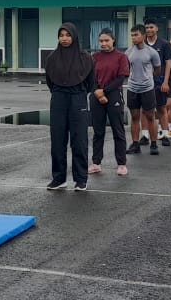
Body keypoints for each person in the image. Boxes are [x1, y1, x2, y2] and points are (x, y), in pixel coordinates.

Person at [44, 22, 95, 191]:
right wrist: (61, 92)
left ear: (74, 37)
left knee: (79, 140)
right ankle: (59, 179)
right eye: (61, 35)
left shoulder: (86, 58)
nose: (64, 38)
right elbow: (50, 82)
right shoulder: (52, 58)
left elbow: (91, 83)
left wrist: (78, 93)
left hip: (78, 98)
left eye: (68, 35)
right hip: (58, 98)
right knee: (57, 140)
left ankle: (81, 179)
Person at [89, 28, 130, 176]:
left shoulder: (121, 57)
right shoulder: (94, 57)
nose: (104, 43)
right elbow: (90, 78)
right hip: (96, 95)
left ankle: (121, 164)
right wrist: (97, 92)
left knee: (118, 130)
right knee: (98, 131)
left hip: (113, 95)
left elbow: (121, 78)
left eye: (106, 40)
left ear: (113, 40)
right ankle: (96, 163)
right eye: (101, 41)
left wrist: (104, 92)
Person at [124, 25, 161, 159]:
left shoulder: (152, 52)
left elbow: (158, 70)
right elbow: (126, 69)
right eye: (132, 35)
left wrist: (147, 78)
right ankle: (135, 144)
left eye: (136, 35)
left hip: (147, 89)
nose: (133, 38)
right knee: (134, 117)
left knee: (150, 116)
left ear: (143, 35)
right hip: (132, 88)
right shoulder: (128, 52)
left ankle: (154, 144)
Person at [143, 19, 171, 146]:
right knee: (144, 110)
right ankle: (145, 135)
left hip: (159, 82)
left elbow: (168, 64)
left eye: (151, 27)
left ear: (156, 28)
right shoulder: (141, 43)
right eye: (147, 27)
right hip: (144, 83)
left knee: (161, 108)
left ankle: (165, 135)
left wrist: (165, 82)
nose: (149, 30)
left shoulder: (164, 44)